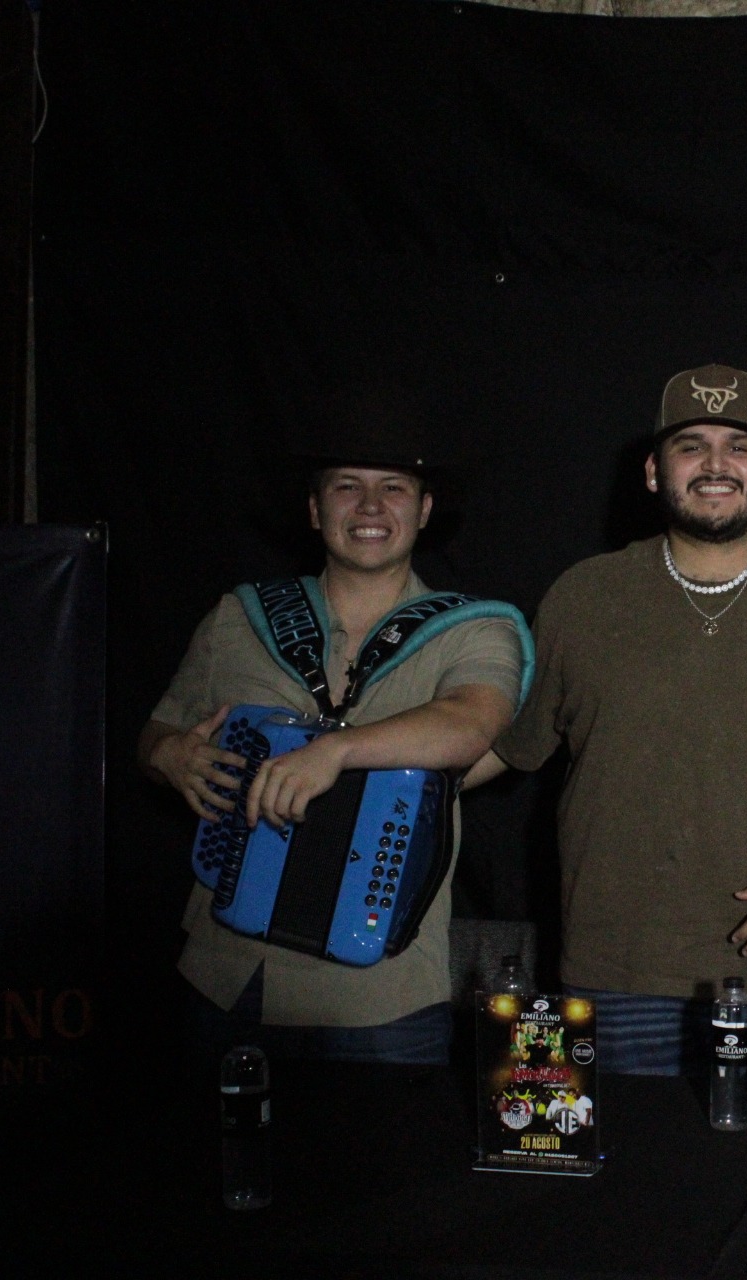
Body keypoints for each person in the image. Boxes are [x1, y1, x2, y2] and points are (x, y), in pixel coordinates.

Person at [485, 363, 747, 1076]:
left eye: (739, 447)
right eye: (691, 446)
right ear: (654, 472)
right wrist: (357, 765)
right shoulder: (583, 598)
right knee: (630, 1157)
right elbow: (504, 745)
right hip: (620, 976)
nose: (716, 465)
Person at [139, 387, 528, 1068]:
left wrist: (336, 751)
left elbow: (471, 724)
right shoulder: (239, 617)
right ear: (316, 509)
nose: (370, 506)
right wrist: (168, 755)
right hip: (227, 978)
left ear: (423, 510)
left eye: (393, 488)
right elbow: (156, 735)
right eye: (347, 486)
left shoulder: (475, 628)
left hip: (381, 997)